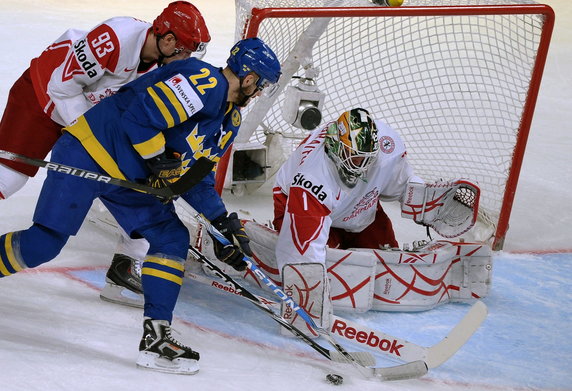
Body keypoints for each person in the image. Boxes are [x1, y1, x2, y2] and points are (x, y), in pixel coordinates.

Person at [0, 37, 281, 374]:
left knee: (171, 236)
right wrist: (160, 159)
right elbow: (139, 118)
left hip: (130, 179)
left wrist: (222, 225)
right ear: (250, 78)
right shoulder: (203, 82)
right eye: (262, 85)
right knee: (42, 244)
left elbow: (197, 177)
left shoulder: (229, 120)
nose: (261, 92)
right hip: (89, 153)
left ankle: (156, 340)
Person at [0, 1, 211, 305]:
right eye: (185, 50)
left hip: (89, 118)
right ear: (167, 41)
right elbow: (62, 87)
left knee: (142, 191)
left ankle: (124, 269)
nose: (187, 58)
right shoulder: (116, 37)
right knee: (7, 180)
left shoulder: (163, 66)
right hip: (42, 98)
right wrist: (93, 140)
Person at [271, 108, 424, 336]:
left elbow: (398, 183)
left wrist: (422, 198)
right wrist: (308, 299)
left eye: (365, 158)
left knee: (387, 261)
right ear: (334, 144)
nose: (359, 165)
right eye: (353, 156)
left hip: (356, 204)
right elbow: (302, 252)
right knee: (327, 268)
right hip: (300, 204)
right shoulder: (311, 177)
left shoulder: (385, 145)